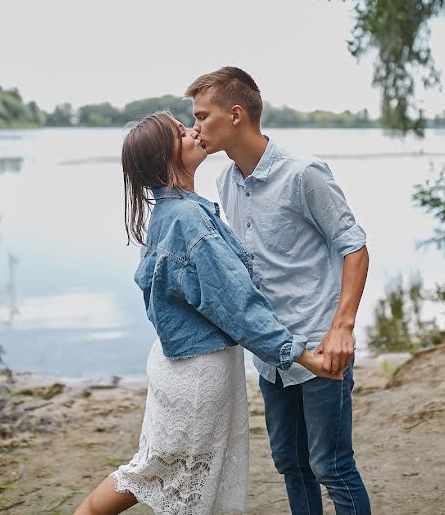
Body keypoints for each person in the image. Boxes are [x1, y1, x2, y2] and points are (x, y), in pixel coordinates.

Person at [74, 110, 337, 515]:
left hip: (177, 363)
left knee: (173, 471)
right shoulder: (188, 219)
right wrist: (299, 354)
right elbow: (238, 305)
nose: (194, 130)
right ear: (166, 158)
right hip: (198, 372)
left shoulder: (170, 214)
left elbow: (167, 295)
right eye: (181, 132)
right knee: (168, 474)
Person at [187, 67, 372, 514]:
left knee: (331, 465)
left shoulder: (303, 173)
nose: (195, 128)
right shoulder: (225, 182)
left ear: (235, 115)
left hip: (320, 346)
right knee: (291, 463)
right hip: (273, 352)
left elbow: (355, 247)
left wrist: (342, 327)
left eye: (201, 116)